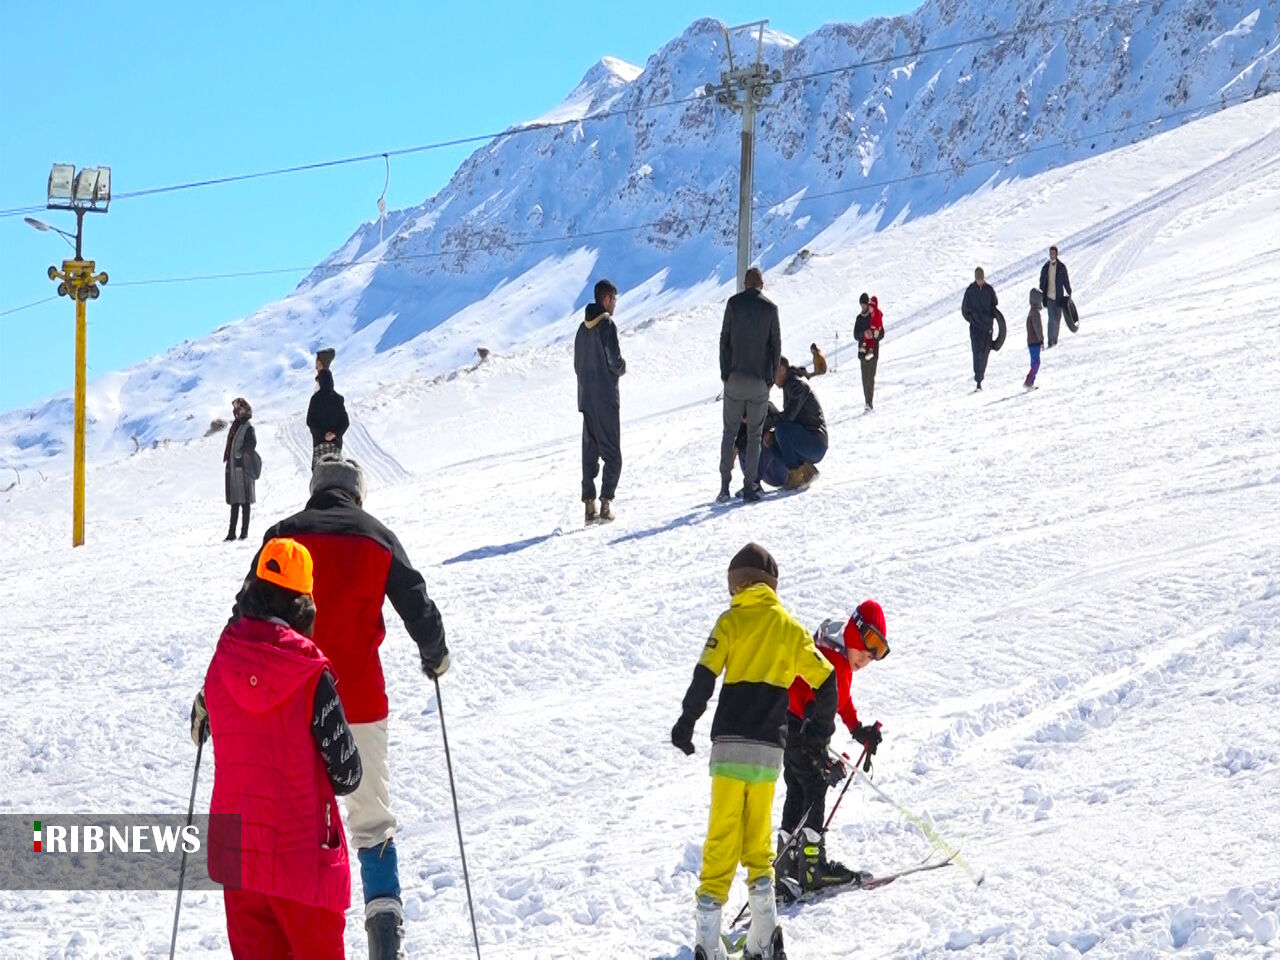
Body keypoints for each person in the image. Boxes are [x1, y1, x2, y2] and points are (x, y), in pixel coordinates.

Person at [256, 455, 449, 960]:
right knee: (371, 823)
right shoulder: (377, 536)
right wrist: (435, 653)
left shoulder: (284, 536)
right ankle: (385, 938)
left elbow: (247, 614)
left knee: (294, 826)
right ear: (357, 495)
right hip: (359, 701)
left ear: (314, 491)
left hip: (291, 702)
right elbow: (417, 602)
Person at [191, 537, 362, 959]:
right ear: (302, 604)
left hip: (239, 861)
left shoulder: (220, 662)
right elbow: (347, 774)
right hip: (302, 861)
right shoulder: (308, 671)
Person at [671, 543, 837, 960]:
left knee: (722, 837)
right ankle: (763, 939)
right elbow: (827, 678)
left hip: (728, 750)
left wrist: (686, 722)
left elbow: (704, 676)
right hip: (767, 754)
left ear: (738, 584)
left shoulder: (729, 622)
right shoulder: (788, 627)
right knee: (758, 843)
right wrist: (816, 730)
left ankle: (708, 942)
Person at [777, 601, 889, 899]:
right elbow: (825, 701)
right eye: (868, 648)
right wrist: (818, 751)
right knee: (814, 787)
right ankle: (813, 868)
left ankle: (786, 869)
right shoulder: (837, 662)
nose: (869, 658)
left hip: (790, 725)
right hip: (804, 730)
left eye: (876, 654)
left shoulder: (836, 652)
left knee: (797, 790)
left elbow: (841, 699)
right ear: (856, 632)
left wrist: (857, 728)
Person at [719, 268, 781, 504]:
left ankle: (724, 487)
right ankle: (750, 487)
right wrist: (770, 379)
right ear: (762, 285)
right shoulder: (770, 309)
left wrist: (725, 372)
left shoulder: (733, 304)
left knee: (729, 432)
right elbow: (776, 345)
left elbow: (724, 339)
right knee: (754, 435)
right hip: (758, 383)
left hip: (734, 379)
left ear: (745, 284)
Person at [574, 279, 626, 523]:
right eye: (614, 299)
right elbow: (614, 361)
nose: (615, 304)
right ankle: (606, 503)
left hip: (586, 399)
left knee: (590, 451)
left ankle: (588, 505)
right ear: (606, 299)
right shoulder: (607, 325)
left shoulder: (582, 329)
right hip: (606, 398)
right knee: (613, 454)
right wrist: (621, 368)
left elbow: (577, 366)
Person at [769, 358, 827, 489]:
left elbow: (789, 416)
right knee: (772, 440)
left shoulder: (796, 384)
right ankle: (806, 472)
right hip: (810, 441)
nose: (772, 379)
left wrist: (768, 421)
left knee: (781, 429)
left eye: (773, 373)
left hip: (815, 442)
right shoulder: (790, 384)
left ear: (782, 369)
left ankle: (797, 476)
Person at [307, 348, 349, 468]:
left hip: (319, 445)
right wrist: (334, 434)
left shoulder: (315, 399)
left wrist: (323, 435)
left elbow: (310, 421)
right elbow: (345, 422)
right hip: (335, 446)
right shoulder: (338, 399)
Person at [223, 397, 257, 542]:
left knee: (245, 502)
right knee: (235, 502)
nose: (236, 412)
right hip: (233, 469)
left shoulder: (247, 427)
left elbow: (252, 443)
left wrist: (241, 453)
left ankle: (244, 533)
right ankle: (231, 533)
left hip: (243, 469)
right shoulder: (236, 426)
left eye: (238, 409)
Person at [961, 267, 999, 391]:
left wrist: (990, 318)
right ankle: (978, 379)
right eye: (978, 279)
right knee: (976, 353)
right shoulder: (970, 291)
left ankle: (980, 377)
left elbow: (995, 304)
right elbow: (964, 310)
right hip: (975, 329)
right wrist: (973, 319)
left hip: (987, 328)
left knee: (984, 354)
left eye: (981, 279)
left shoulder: (989, 290)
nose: (980, 281)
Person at [1037, 246, 1072, 348]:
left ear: (1057, 254)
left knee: (1057, 319)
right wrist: (1041, 295)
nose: (1052, 254)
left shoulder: (1061, 267)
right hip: (1049, 297)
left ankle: (1054, 340)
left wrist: (1069, 292)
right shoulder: (1045, 267)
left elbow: (1066, 280)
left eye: (1053, 253)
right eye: (1050, 253)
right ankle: (1050, 342)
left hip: (1059, 298)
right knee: (1051, 319)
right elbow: (1041, 282)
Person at [854, 294, 884, 411]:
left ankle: (869, 401)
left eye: (865, 304)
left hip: (873, 351)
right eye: (861, 304)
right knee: (864, 377)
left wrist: (874, 335)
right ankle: (866, 400)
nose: (863, 306)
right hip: (862, 351)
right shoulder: (859, 318)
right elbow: (855, 335)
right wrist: (864, 334)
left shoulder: (874, 316)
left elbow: (881, 332)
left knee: (870, 377)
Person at [1026, 288, 1045, 390]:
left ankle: (1031, 382)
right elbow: (1038, 328)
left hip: (1031, 341)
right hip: (1035, 341)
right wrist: (1041, 339)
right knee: (1036, 363)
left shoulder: (1031, 312)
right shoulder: (1035, 313)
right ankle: (1029, 381)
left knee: (1034, 362)